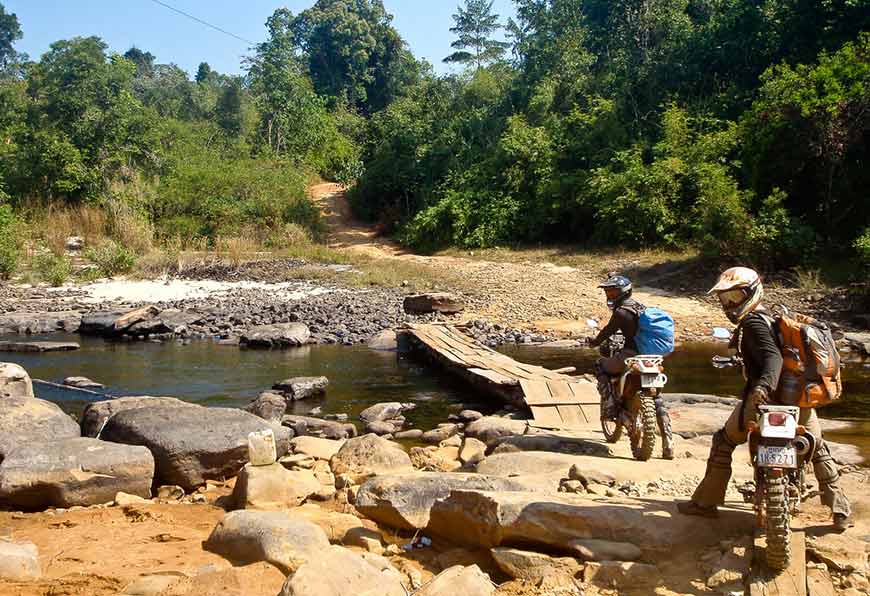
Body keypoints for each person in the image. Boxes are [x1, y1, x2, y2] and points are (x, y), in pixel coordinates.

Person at [678, 267, 851, 531]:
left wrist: (761, 388)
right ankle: (840, 510)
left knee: (723, 441)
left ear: (752, 292)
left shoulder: (753, 323)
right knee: (817, 447)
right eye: (726, 299)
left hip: (765, 400)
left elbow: (773, 358)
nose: (730, 304)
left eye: (735, 296)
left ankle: (705, 504)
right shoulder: (772, 319)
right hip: (796, 400)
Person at [589, 275, 674, 460]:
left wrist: (593, 342)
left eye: (613, 291)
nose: (610, 294)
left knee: (600, 365)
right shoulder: (640, 307)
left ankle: (610, 407)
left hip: (631, 355)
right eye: (608, 291)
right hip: (652, 357)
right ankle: (668, 443)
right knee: (656, 397)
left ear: (624, 291)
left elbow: (607, 331)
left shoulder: (621, 312)